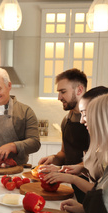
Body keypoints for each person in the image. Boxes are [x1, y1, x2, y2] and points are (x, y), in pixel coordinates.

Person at [43, 86, 108, 193]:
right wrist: (82, 169)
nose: (81, 121)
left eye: (85, 114)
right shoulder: (104, 144)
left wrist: (73, 178)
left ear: (101, 114)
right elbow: (102, 182)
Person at [38, 68, 89, 203]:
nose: (59, 97)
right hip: (69, 186)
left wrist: (63, 170)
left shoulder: (94, 121)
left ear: (79, 90)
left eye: (63, 92)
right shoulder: (66, 120)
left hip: (89, 188)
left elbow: (98, 162)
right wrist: (53, 159)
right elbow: (64, 153)